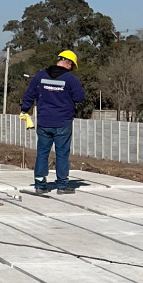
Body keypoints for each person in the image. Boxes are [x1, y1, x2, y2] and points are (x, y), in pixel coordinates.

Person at [19, 49, 86, 193]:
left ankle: (40, 185)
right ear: (69, 63)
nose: (72, 70)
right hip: (62, 122)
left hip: (44, 121)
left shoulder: (40, 76)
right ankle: (62, 186)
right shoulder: (70, 79)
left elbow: (30, 94)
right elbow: (80, 97)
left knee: (42, 153)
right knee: (62, 154)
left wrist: (24, 109)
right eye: (72, 67)